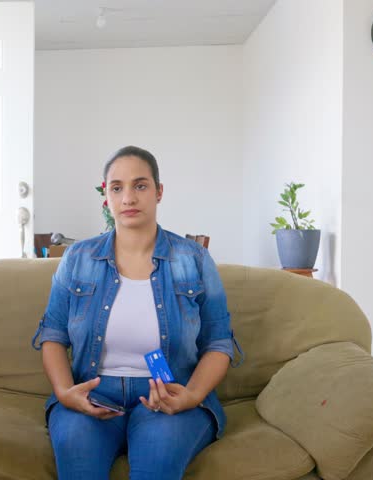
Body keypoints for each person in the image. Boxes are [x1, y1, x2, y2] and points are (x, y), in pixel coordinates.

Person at [31, 146, 244, 480]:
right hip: (94, 393)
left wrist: (191, 396)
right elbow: (53, 335)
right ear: (107, 197)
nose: (128, 197)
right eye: (117, 188)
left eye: (140, 185)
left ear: (159, 192)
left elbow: (218, 342)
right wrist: (64, 393)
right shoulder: (77, 259)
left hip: (169, 392)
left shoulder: (194, 260)